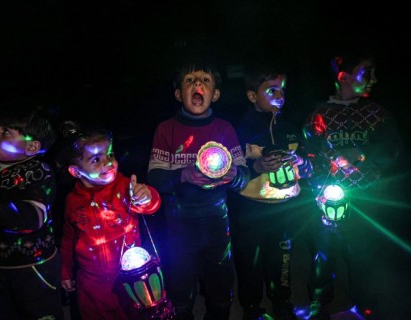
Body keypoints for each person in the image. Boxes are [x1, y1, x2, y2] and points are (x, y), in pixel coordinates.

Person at [302, 48, 404, 319]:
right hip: (327, 199)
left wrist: (360, 154)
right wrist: (315, 188)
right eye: (367, 72)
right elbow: (310, 153)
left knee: (363, 256)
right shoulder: (318, 115)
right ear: (345, 76)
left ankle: (366, 302)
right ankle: (320, 302)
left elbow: (393, 149)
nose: (374, 78)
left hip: (366, 201)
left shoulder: (377, 114)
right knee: (322, 253)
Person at [147, 59, 250, 320]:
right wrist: (183, 175)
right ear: (179, 93)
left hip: (217, 224)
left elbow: (244, 177)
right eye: (190, 80)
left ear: (215, 94)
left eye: (205, 80)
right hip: (178, 226)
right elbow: (155, 179)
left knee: (221, 287)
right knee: (180, 289)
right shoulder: (166, 129)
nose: (197, 85)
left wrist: (234, 175)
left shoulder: (224, 129)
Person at [226, 62, 313, 320]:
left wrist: (303, 165)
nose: (280, 96)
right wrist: (256, 165)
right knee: (249, 262)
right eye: (271, 90)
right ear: (252, 96)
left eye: (282, 90)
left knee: (282, 260)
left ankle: (281, 301)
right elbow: (230, 170)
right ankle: (252, 307)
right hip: (251, 210)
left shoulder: (292, 127)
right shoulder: (240, 129)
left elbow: (308, 165)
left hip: (286, 209)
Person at [0, 103, 64, 320]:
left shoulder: (38, 172)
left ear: (31, 147)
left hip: (32, 269)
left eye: (5, 131)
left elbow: (33, 216)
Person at [55, 121, 162, 320]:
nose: (108, 162)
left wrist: (146, 196)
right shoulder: (72, 201)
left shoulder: (124, 187)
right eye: (96, 159)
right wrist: (65, 271)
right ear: (76, 172)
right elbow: (68, 240)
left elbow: (151, 204)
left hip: (130, 281)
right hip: (91, 285)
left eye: (110, 154)